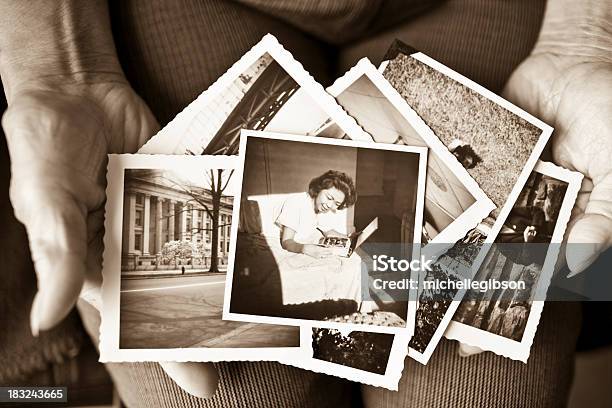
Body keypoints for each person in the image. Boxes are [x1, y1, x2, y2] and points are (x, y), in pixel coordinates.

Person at [1, 0, 610, 406]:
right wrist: (60, 73)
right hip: (184, 9)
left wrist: (586, 38)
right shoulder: (289, 217)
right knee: (217, 395)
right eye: (328, 199)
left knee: (484, 389)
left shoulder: (368, 217)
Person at [277, 170, 357, 259]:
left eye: (337, 204)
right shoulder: (297, 202)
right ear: (319, 188)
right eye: (329, 198)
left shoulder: (320, 207)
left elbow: (328, 231)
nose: (330, 205)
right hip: (279, 239)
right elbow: (286, 242)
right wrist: (304, 249)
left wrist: (350, 238)